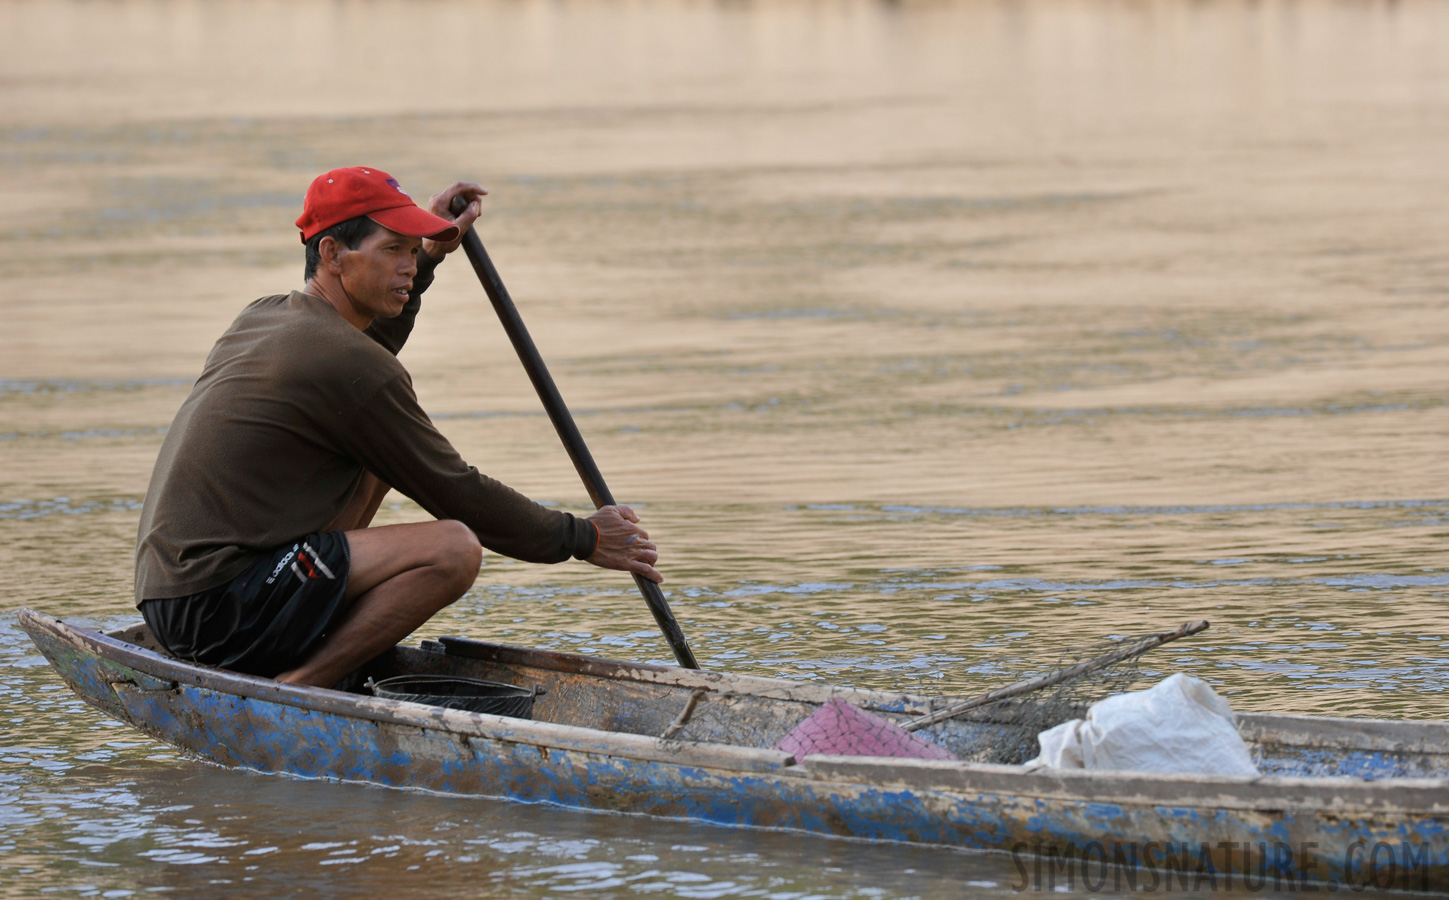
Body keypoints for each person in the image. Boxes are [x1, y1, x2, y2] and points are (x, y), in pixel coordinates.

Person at [133, 166, 660, 688]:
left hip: (173, 595)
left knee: (374, 460)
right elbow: (456, 491)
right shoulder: (346, 364)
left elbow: (361, 357)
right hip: (219, 608)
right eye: (393, 250)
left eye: (412, 252)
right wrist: (581, 536)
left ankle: (303, 651)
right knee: (453, 548)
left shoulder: (266, 315)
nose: (406, 267)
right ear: (333, 254)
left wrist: (430, 258)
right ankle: (301, 685)